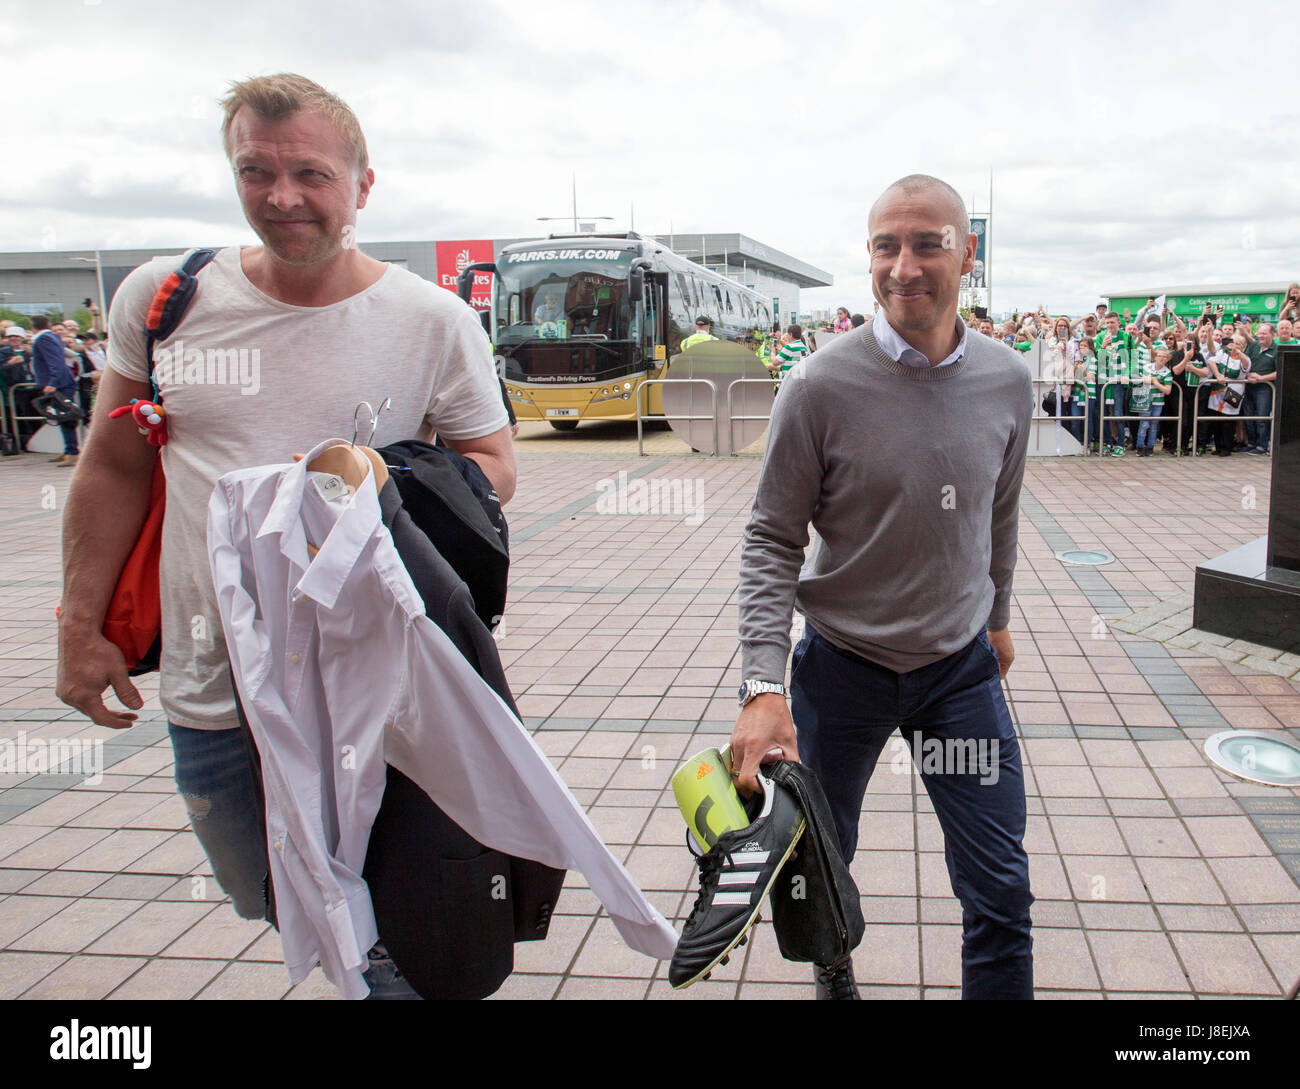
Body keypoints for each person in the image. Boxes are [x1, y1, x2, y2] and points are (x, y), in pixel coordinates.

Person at [54, 72, 514, 998]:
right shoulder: (165, 298)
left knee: (407, 909)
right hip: (216, 687)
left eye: (310, 172)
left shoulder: (432, 321)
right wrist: (78, 621)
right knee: (269, 895)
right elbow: (112, 466)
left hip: (378, 689)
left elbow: (493, 467)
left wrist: (385, 480)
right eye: (255, 171)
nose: (282, 196)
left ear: (363, 184)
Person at [733, 174, 1034, 1000]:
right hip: (843, 671)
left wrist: (998, 617)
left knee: (1001, 889)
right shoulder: (819, 386)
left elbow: (999, 515)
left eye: (928, 242)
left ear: (967, 253)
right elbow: (770, 537)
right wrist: (763, 682)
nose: (904, 266)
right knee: (820, 868)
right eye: (886, 246)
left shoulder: (1008, 380)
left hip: (958, 677)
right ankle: (835, 967)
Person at [30, 314, 81, 466]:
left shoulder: (44, 339)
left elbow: (55, 362)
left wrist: (52, 381)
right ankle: (68, 450)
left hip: (59, 383)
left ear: (32, 326)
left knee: (65, 416)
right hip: (60, 381)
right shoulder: (52, 337)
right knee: (62, 416)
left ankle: (72, 452)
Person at [1240, 322, 1277, 454]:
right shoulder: (1253, 345)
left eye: (1264, 333)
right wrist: (1248, 374)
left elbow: (1278, 372)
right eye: (1259, 333)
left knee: (1262, 417)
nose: (1261, 336)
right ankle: (1251, 443)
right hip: (1249, 386)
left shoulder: (1277, 350)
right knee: (1249, 417)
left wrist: (1261, 378)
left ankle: (1262, 445)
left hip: (1264, 388)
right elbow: (1246, 362)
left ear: (1273, 335)